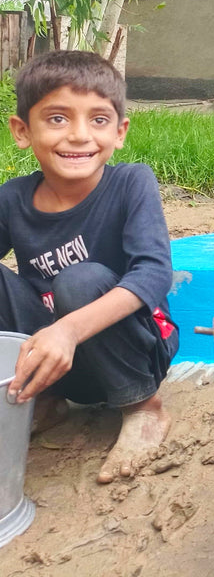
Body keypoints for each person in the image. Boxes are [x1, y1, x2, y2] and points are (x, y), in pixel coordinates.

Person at [1, 50, 177, 484]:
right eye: (57, 118)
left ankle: (143, 411)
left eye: (98, 120)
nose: (79, 135)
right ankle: (45, 400)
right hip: (53, 362)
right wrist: (56, 335)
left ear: (119, 132)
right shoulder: (12, 199)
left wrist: (69, 329)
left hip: (135, 353)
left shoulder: (131, 183)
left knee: (80, 279)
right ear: (22, 131)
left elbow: (153, 272)